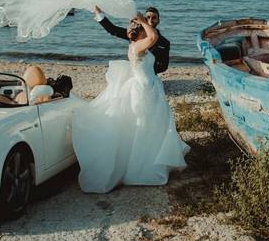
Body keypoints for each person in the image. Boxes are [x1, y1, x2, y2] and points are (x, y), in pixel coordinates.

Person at [73, 11, 189, 193]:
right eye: (144, 24)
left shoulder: (138, 44)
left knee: (152, 126)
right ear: (140, 30)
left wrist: (143, 22)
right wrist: (143, 22)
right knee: (144, 127)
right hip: (143, 91)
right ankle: (140, 169)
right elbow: (153, 35)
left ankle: (151, 159)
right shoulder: (138, 45)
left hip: (150, 87)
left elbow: (159, 58)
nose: (148, 24)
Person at [93, 5, 170, 74]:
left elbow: (163, 67)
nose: (150, 20)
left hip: (149, 73)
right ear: (143, 19)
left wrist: (148, 72)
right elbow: (113, 30)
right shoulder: (135, 35)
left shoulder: (165, 43)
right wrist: (99, 15)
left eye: (154, 18)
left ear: (158, 20)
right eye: (148, 17)